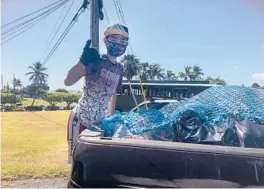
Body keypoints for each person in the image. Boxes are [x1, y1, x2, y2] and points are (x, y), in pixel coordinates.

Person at [64, 24, 129, 163]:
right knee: (77, 163)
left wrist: (109, 118)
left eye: (123, 40)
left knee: (95, 163)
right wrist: (83, 61)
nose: (118, 43)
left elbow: (114, 94)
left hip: (100, 123)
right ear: (105, 40)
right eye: (114, 38)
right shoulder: (95, 60)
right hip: (81, 120)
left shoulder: (120, 69)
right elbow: (68, 81)